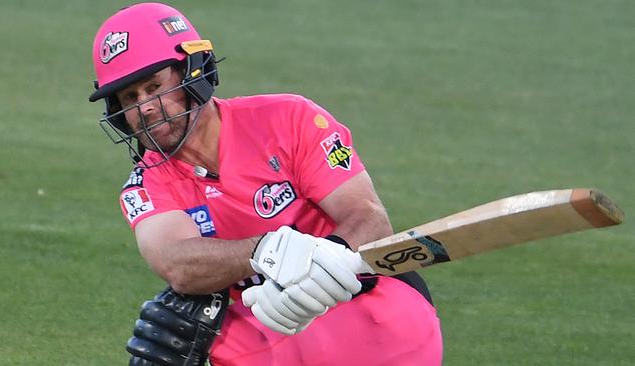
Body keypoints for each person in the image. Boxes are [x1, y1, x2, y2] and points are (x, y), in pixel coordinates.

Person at [89, 2, 442, 365]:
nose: (144, 107)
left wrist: (321, 265)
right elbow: (177, 263)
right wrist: (265, 251)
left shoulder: (288, 118)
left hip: (374, 306)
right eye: (129, 97)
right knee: (170, 330)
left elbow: (369, 220)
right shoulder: (144, 185)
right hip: (272, 320)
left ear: (194, 73)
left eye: (154, 87)